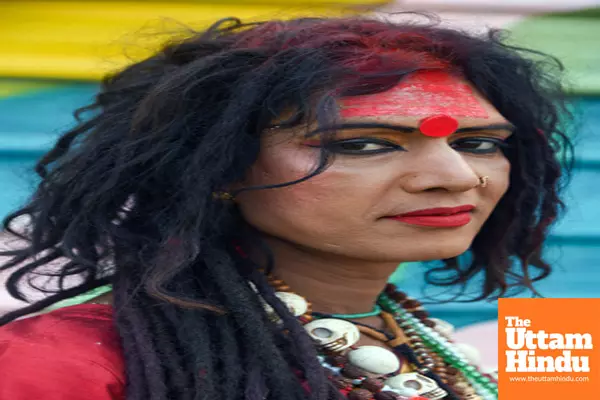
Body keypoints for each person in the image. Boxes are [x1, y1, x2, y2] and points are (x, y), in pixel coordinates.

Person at [0, 15, 572, 400]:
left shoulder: (455, 339)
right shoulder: (70, 365)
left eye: (480, 144)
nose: (457, 177)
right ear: (218, 169)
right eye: (364, 144)